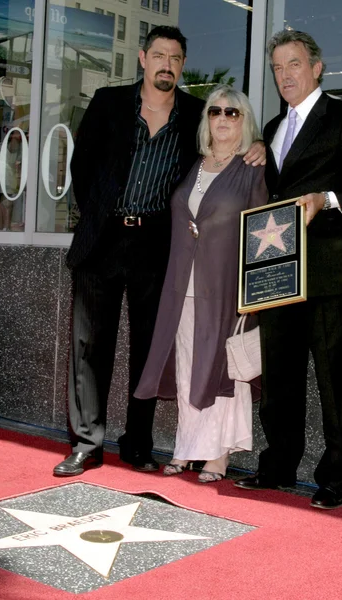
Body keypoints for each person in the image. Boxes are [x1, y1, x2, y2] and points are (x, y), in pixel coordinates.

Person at [53, 26, 264, 477]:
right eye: (160, 55)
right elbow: (82, 166)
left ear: (181, 65)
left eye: (176, 58)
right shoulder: (108, 103)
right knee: (89, 346)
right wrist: (101, 214)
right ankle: (87, 444)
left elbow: (227, 144)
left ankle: (137, 444)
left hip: (157, 246)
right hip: (102, 241)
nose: (167, 64)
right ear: (144, 59)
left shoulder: (195, 114)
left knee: (151, 347)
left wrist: (259, 146)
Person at [235, 30, 342, 509]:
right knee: (280, 379)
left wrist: (329, 200)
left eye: (294, 64)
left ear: (317, 68)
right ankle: (278, 467)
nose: (285, 75)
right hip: (279, 268)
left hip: (329, 273)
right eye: (278, 68)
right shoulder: (278, 128)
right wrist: (262, 144)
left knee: (335, 381)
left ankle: (336, 479)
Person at [134, 85, 267, 482]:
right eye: (215, 111)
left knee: (220, 369)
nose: (223, 119)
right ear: (206, 119)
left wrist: (254, 295)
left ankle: (217, 456)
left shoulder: (252, 167)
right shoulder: (194, 164)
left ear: (244, 122)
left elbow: (264, 233)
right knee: (188, 368)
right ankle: (188, 447)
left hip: (226, 288)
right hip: (183, 286)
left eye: (233, 113)